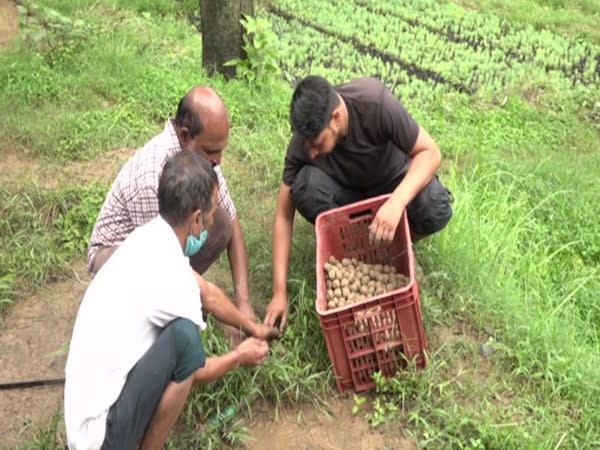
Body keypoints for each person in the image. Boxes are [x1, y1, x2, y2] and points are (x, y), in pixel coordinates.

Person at [65, 151, 271, 450]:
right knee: (186, 341)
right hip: (102, 439)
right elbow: (194, 369)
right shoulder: (172, 276)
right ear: (197, 219)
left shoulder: (146, 239)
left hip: (84, 419)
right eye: (212, 213)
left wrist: (254, 328)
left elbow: (208, 293)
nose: (214, 220)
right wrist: (238, 357)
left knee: (178, 338)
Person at [264, 76, 453, 331]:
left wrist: (396, 202)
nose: (310, 152)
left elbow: (430, 153)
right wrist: (279, 292)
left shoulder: (374, 102)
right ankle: (354, 251)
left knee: (435, 204)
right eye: (306, 144)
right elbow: (283, 217)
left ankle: (398, 244)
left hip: (391, 184)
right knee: (305, 187)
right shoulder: (304, 141)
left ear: (336, 118)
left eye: (316, 143)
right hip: (346, 194)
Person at [88, 86, 263, 341]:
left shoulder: (201, 157)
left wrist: (243, 302)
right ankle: (163, 321)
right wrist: (212, 304)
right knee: (175, 321)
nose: (219, 160)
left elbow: (232, 222)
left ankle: (188, 301)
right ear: (184, 135)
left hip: (161, 249)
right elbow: (159, 262)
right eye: (213, 151)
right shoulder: (151, 177)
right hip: (115, 254)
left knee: (221, 222)